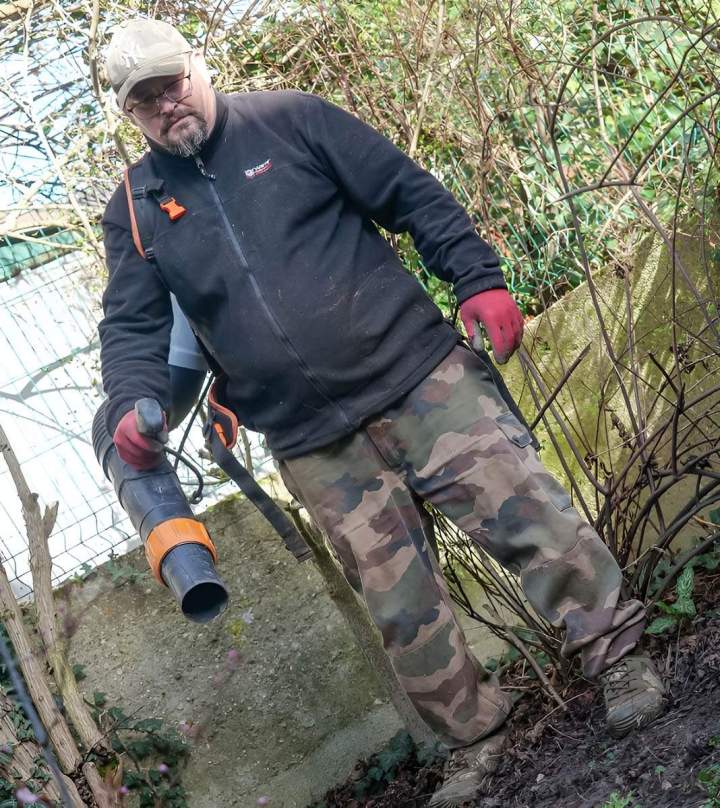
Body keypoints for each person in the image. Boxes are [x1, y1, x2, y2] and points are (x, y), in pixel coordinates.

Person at [99, 18, 664, 806]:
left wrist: (476, 277)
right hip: (313, 442)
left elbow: (408, 192)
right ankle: (474, 739)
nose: (167, 105)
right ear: (129, 114)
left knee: (533, 518)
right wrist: (132, 400)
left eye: (173, 84)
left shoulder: (291, 119)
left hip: (421, 380)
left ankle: (620, 660)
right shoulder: (135, 208)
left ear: (200, 66)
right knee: (403, 608)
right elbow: (131, 327)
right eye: (145, 100)